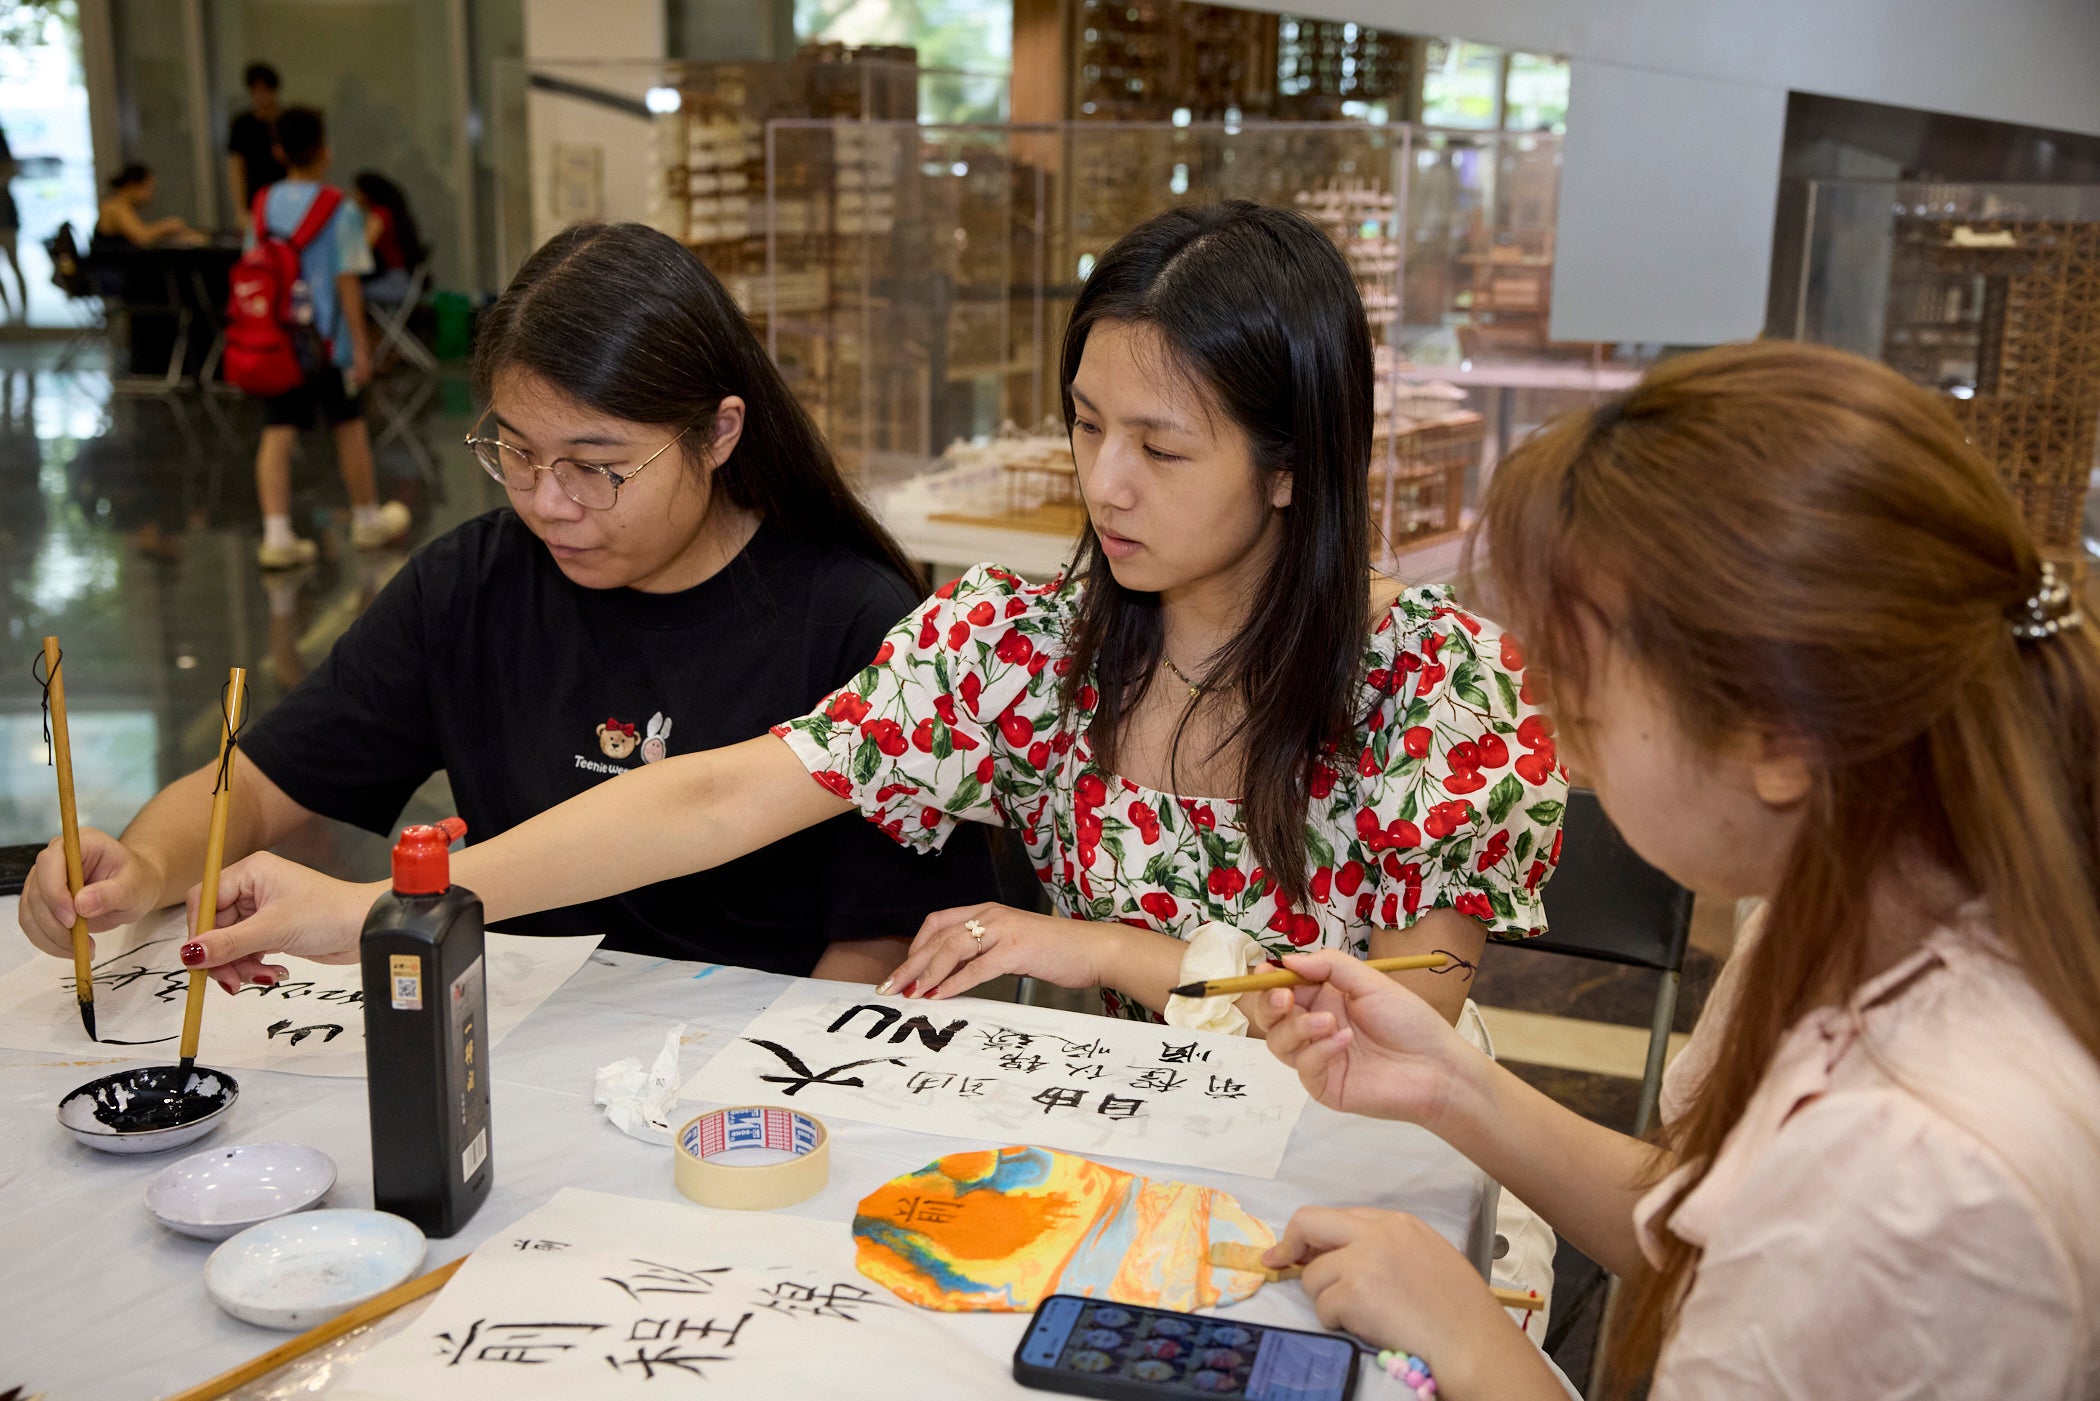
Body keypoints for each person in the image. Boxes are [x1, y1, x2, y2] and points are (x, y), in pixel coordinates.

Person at [159, 201, 1564, 1030]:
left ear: (1289, 464)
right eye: (1084, 424)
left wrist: (1102, 948)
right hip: (1103, 1146)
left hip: (1359, 1166)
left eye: (1163, 444)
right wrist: (379, 910)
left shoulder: (1440, 686)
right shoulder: (1021, 646)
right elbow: (709, 796)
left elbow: (1404, 1014)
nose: (1105, 483)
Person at [1253, 341, 2100, 1396]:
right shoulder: (1861, 908)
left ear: (1780, 736)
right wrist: (1450, 1083)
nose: (1555, 729)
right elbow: (1716, 1221)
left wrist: (1473, 1341)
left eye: (1580, 679)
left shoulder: (1921, 1173)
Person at [17, 220, 1000, 986]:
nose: (546, 502)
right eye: (516, 453)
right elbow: (268, 780)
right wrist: (140, 869)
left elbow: (879, 945)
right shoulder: (476, 584)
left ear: (720, 433)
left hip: (738, 1073)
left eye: (597, 467)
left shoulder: (851, 620)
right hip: (516, 1029)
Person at [247, 105, 410, 570]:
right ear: (325, 149)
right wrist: (359, 346)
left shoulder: (261, 204)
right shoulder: (339, 208)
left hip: (278, 342)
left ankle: (277, 535)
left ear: (279, 151)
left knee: (276, 433)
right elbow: (347, 282)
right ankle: (366, 518)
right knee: (350, 426)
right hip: (328, 344)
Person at [91, 164, 203, 256]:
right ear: (132, 186)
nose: (150, 196)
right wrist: (168, 226)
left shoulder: (121, 206)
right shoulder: (115, 207)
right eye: (148, 189)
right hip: (114, 274)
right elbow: (141, 237)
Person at [352, 171, 424, 305]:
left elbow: (362, 250)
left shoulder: (380, 214)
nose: (354, 196)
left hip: (394, 282)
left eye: (357, 191)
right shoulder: (391, 213)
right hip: (402, 281)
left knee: (346, 291)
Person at [226, 62, 286, 219]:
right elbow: (236, 166)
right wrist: (240, 209)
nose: (261, 96)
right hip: (255, 197)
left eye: (265, 90)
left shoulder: (286, 122)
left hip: (285, 194)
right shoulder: (243, 124)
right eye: (256, 91)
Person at [0, 122, 27, 321]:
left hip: (6, 221)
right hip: (7, 220)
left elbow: (12, 171)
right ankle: (10, 313)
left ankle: (23, 315)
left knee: (15, 265)